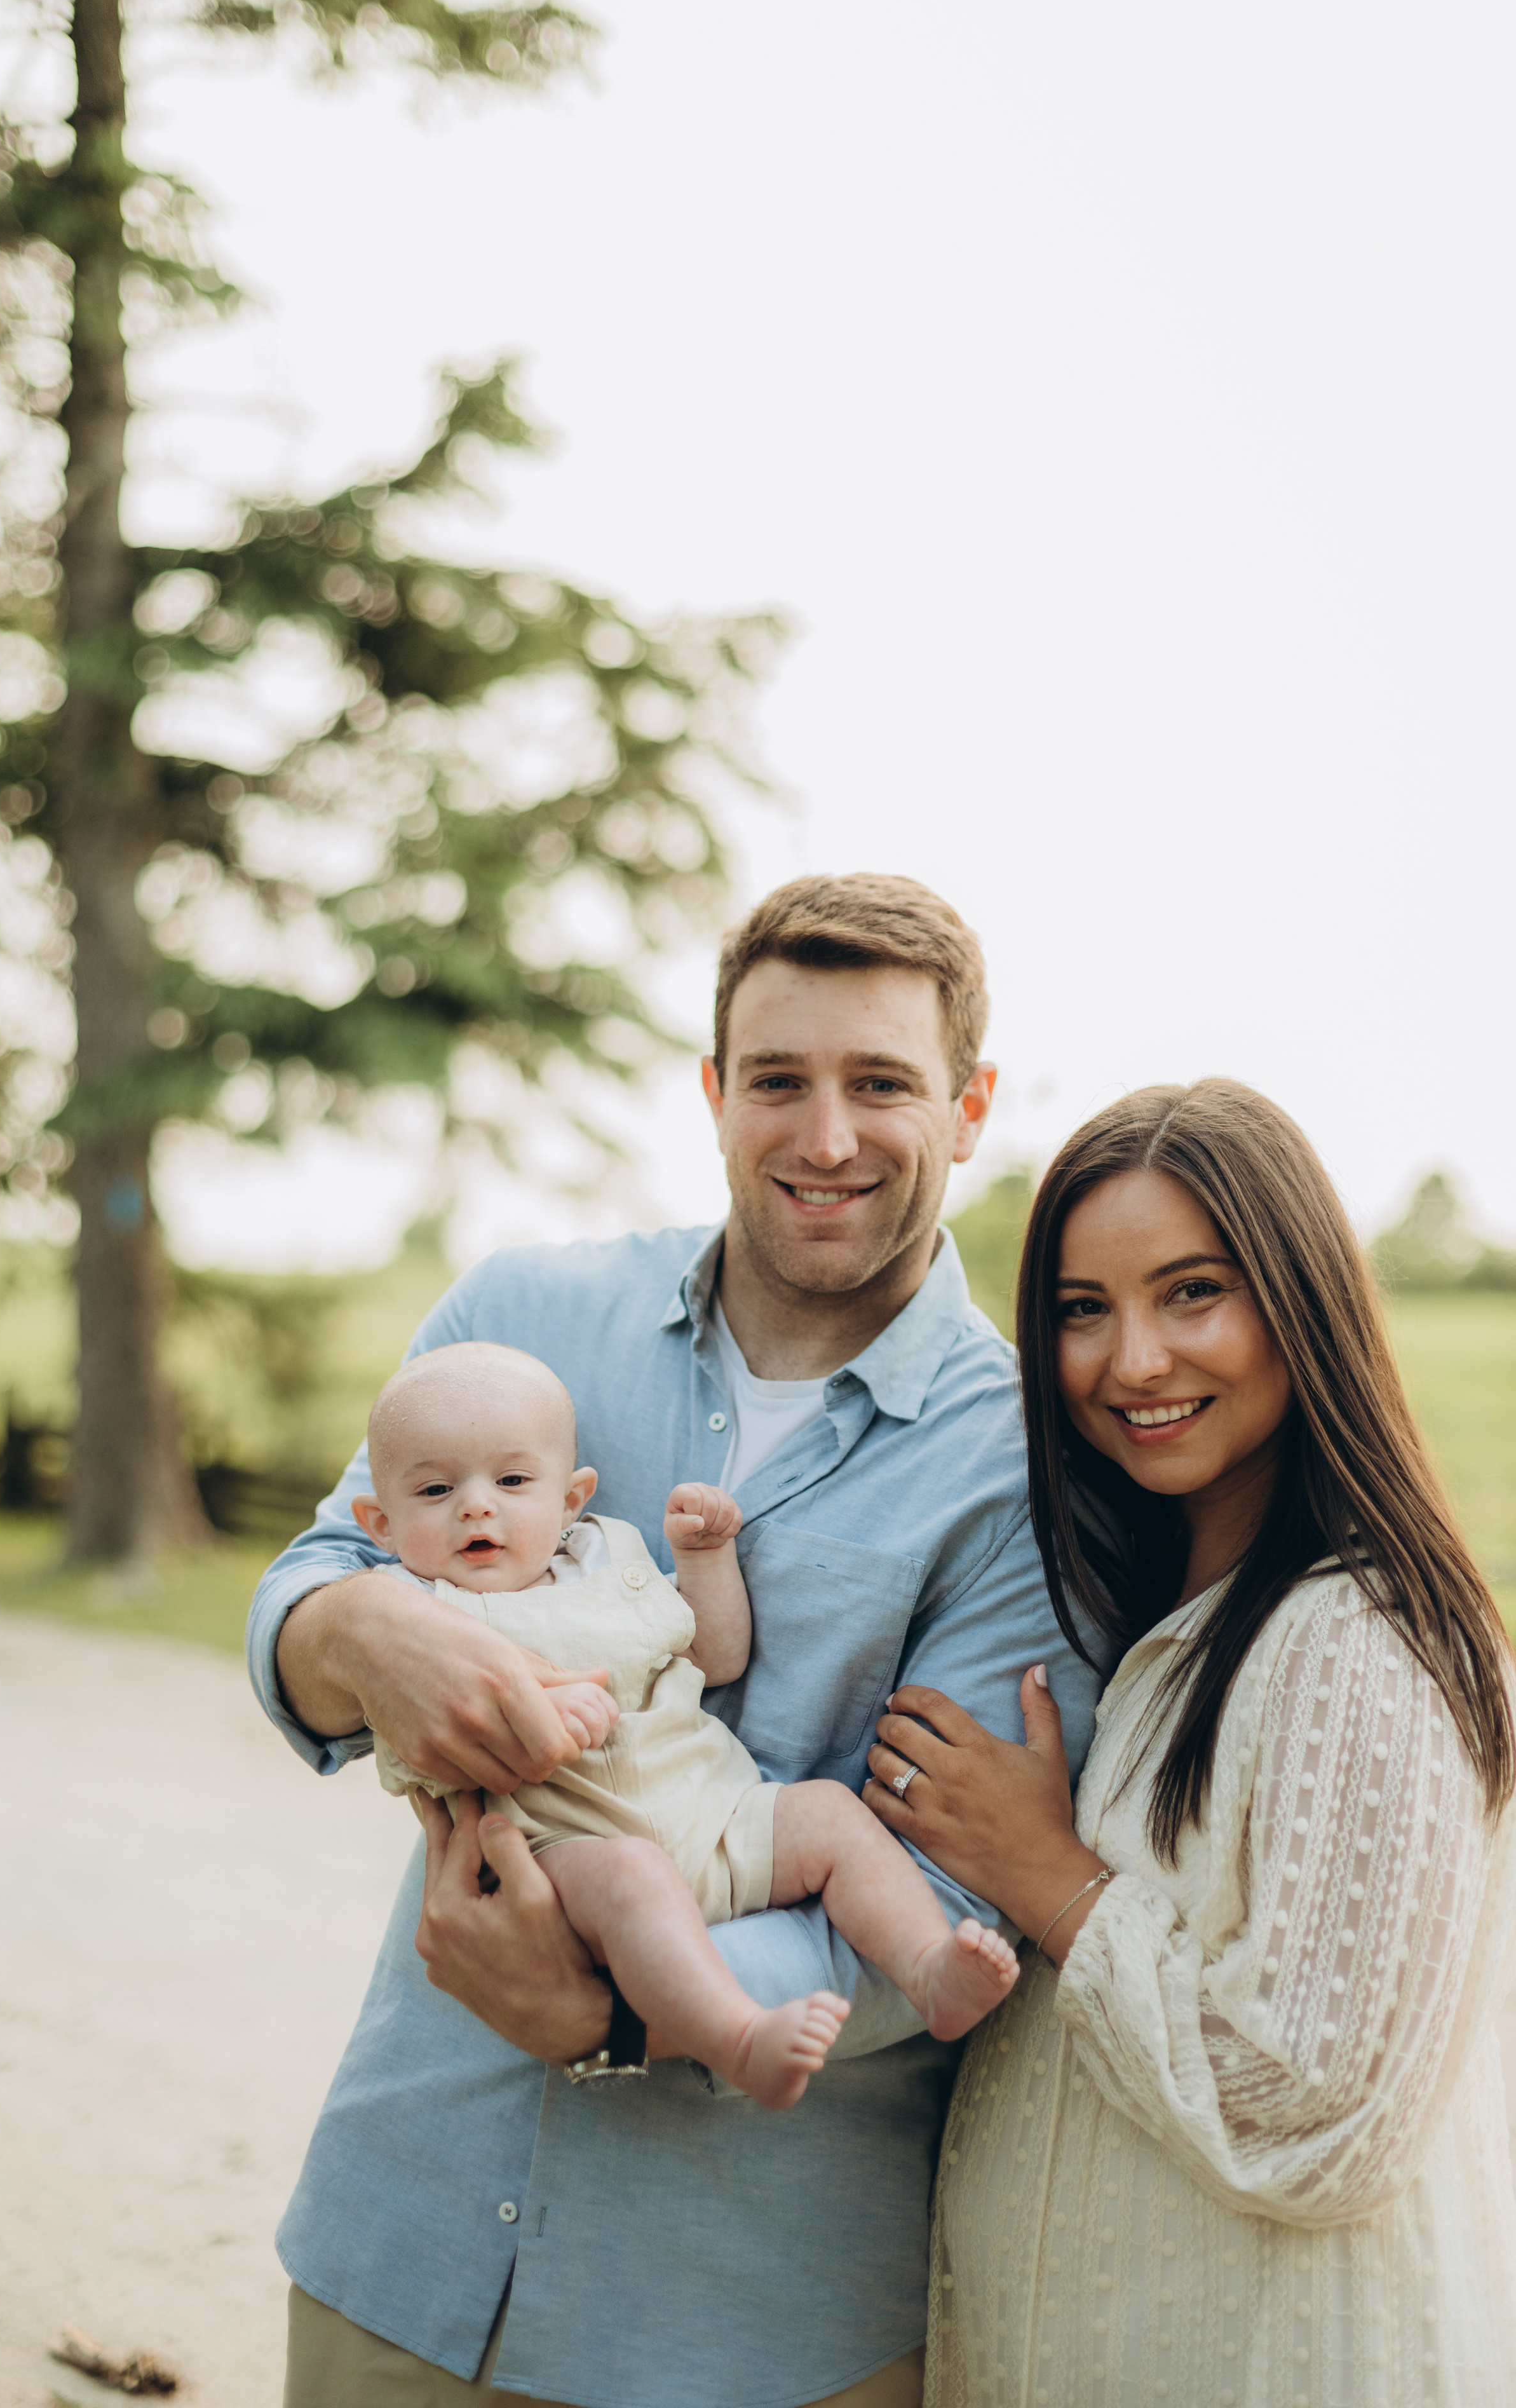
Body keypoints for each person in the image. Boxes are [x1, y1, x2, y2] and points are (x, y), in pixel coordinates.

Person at [246, 873, 1101, 2408]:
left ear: (968, 1107)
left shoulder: (1032, 1469)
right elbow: (310, 1582)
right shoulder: (521, 1312)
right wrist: (369, 1626)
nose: (823, 1134)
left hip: (749, 2321)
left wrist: (617, 2006)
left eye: (881, 1083)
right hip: (406, 2242)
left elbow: (957, 1899)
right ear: (713, 1094)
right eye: (776, 1078)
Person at [863, 1078, 1516, 2408]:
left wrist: (1044, 1876)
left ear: (1300, 1304)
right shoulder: (1166, 1621)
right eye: (1079, 1310)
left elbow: (1319, 2117)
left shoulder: (1360, 1640)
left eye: (1191, 1292)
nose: (1132, 1363)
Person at [355, 1340, 1020, 2111]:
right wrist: (533, 1714)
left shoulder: (611, 1562)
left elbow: (715, 1654)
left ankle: (928, 1967)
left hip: (722, 1820)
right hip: (572, 1857)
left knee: (830, 1816)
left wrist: (703, 1561)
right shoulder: (417, 1614)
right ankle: (740, 2037)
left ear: (571, 1500)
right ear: (380, 1522)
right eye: (436, 1490)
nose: (477, 1505)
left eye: (511, 1481)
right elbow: (421, 1757)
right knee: (635, 1878)